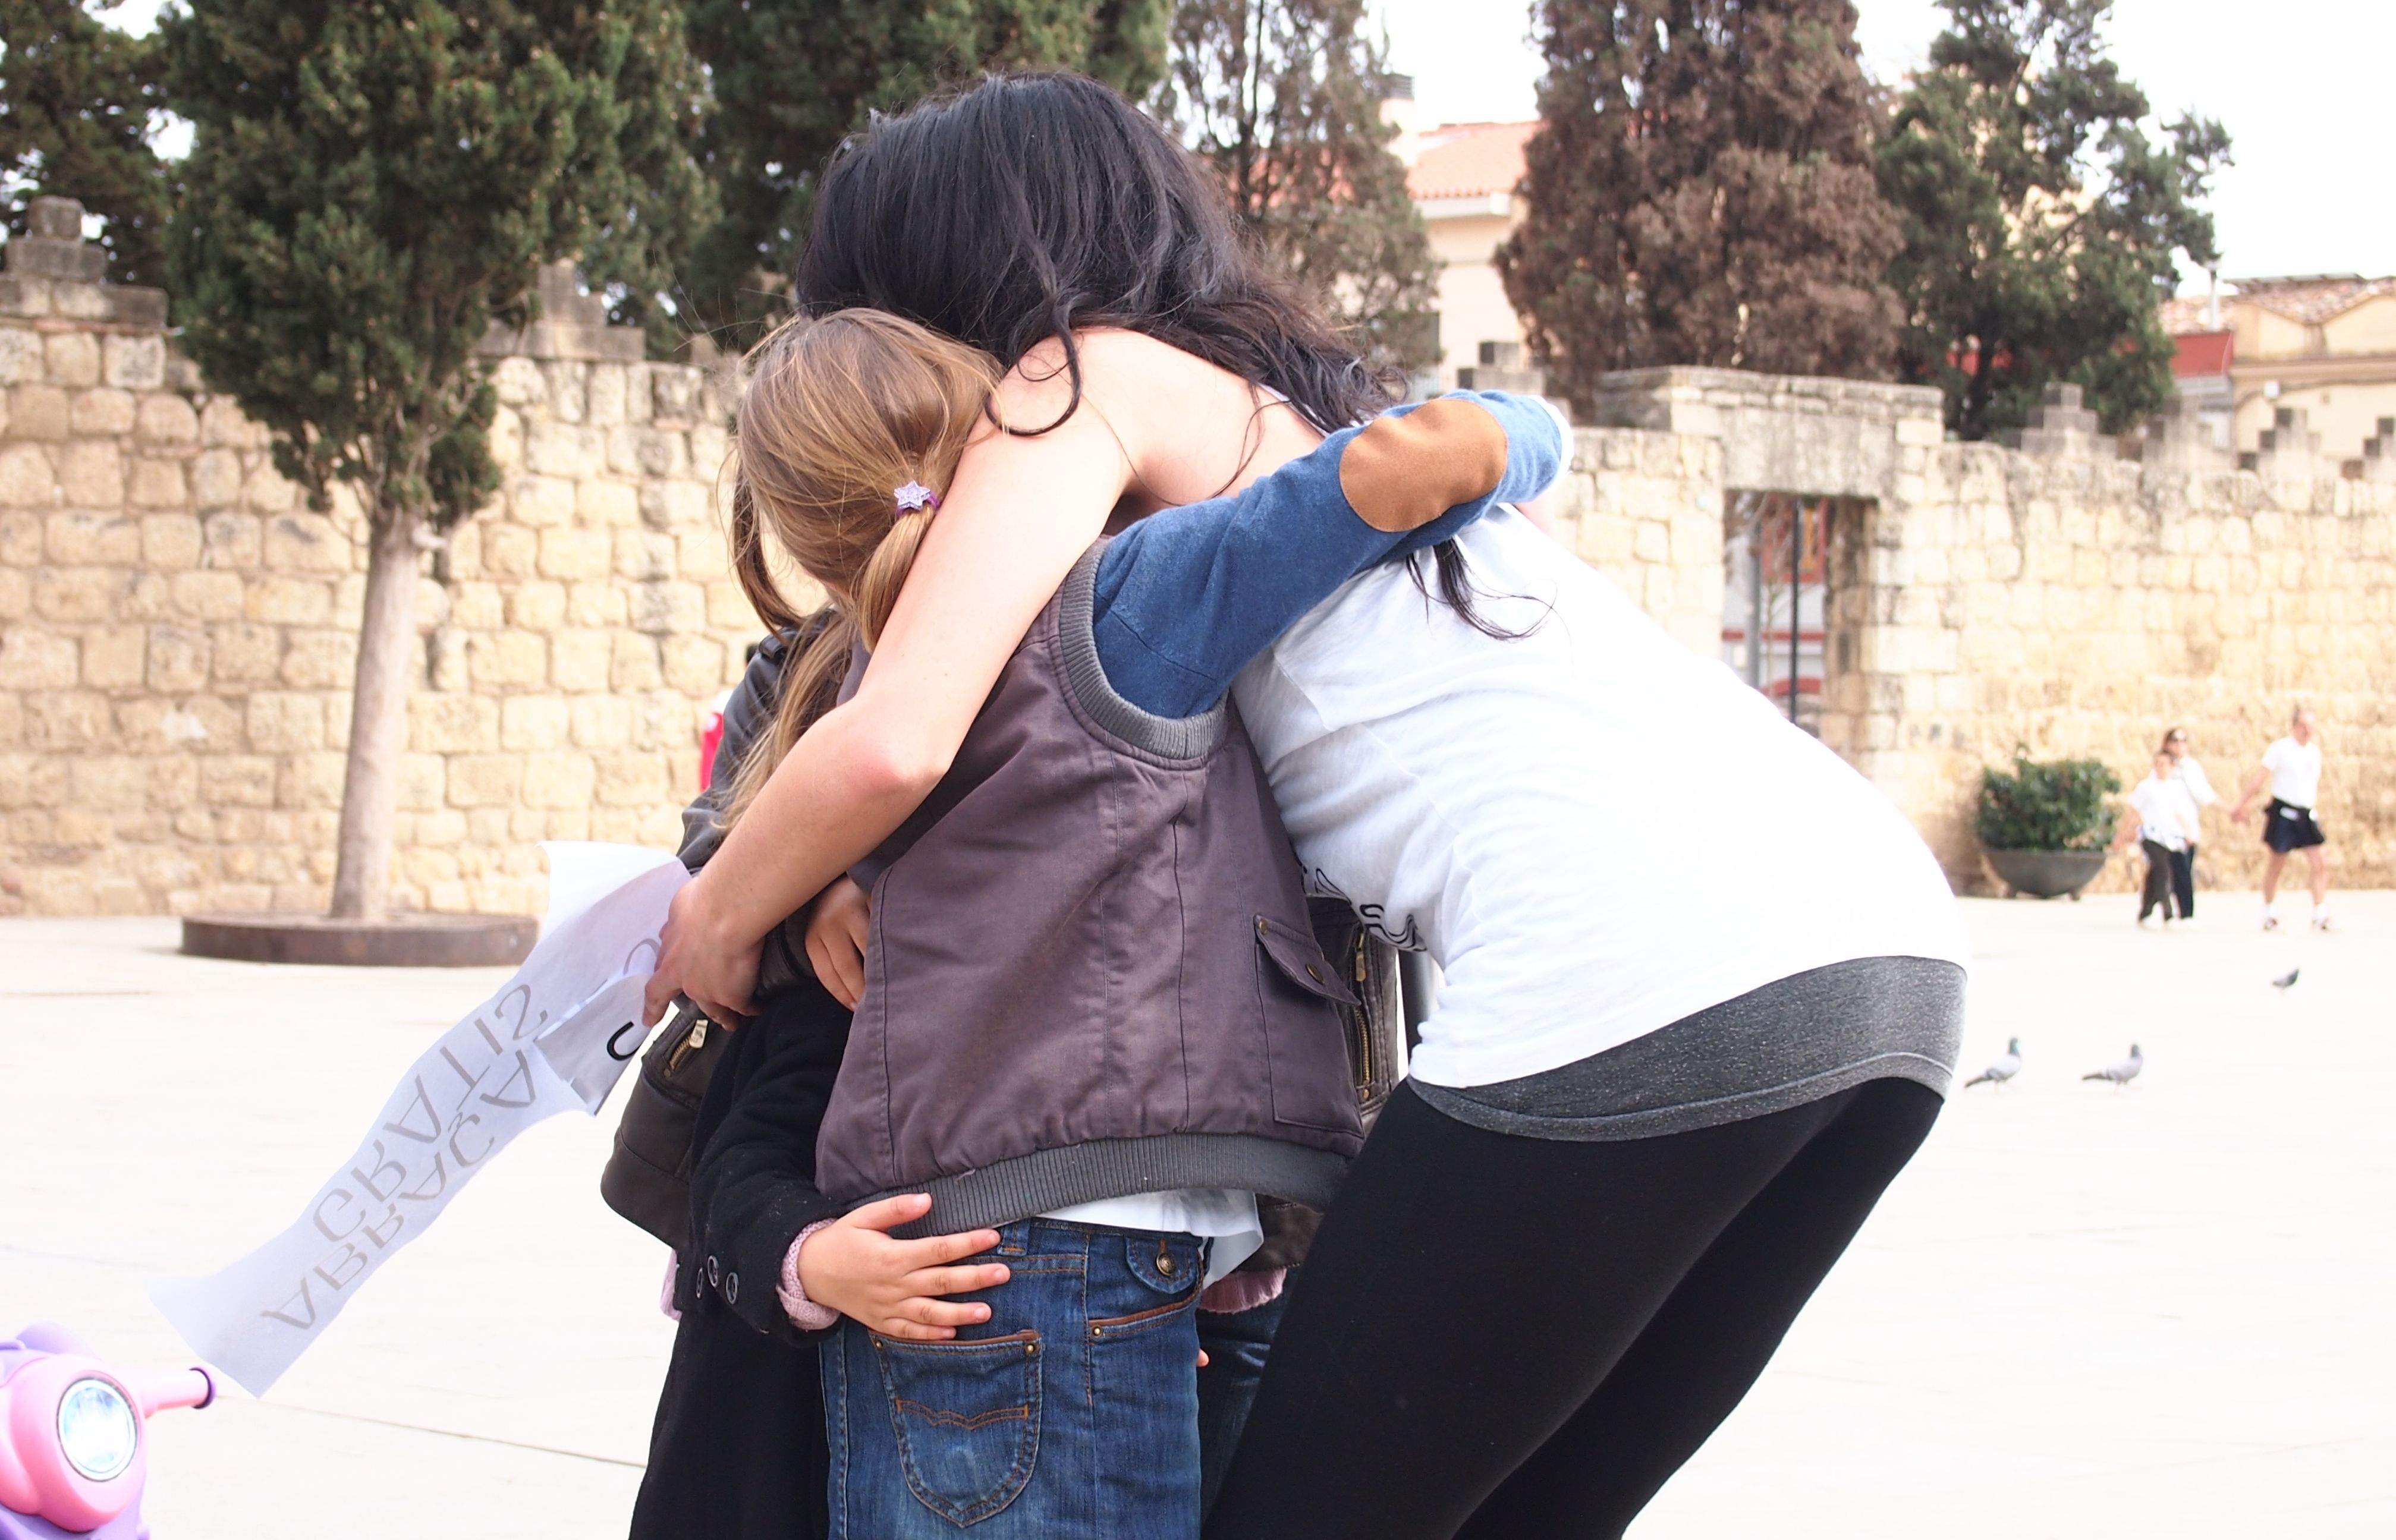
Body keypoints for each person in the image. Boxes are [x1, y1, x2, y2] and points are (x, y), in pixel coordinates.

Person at [640, 72, 1967, 1540]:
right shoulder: (1317, 403)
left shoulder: (1067, 384)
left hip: (1626, 961)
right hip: (1878, 941)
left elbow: (896, 736)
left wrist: (721, 907)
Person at [690, 307, 1564, 1540]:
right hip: (1078, 1256)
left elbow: (719, 842)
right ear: (992, 433)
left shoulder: (830, 704)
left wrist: (784, 908)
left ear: (792, 524)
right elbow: (1403, 464)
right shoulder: (1118, 602)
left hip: (948, 1262)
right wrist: (1534, 431)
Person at [2231, 706, 2332, 931]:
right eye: (2303, 726)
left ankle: (2320, 913)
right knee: (2277, 864)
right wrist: (2241, 805)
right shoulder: (2280, 749)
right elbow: (2259, 780)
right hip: (2284, 813)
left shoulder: (2314, 753)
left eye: (2311, 726)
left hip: (2306, 814)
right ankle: (2269, 912)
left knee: (2320, 863)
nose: (2307, 730)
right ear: (2294, 726)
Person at [2111, 749, 2200, 925]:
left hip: (2171, 837)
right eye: (2158, 764)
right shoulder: (2147, 787)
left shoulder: (2176, 788)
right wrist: (2120, 837)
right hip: (2151, 836)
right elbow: (2133, 813)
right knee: (2163, 872)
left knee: (2155, 875)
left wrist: (2189, 832)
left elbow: (2180, 813)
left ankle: (2145, 912)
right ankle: (2168, 914)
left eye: (2165, 764)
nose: (2161, 768)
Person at [2159, 726, 2214, 905]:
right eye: (2175, 740)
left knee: (2183, 869)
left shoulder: (2191, 768)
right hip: (2167, 829)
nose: (2179, 745)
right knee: (2168, 871)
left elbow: (2205, 795)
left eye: (2183, 741)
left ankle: (2182, 912)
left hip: (2187, 828)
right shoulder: (2162, 766)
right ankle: (2177, 912)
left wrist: (2231, 810)